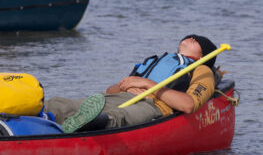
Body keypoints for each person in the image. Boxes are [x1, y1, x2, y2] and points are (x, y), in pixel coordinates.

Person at [44, 34, 218, 133]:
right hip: (122, 96)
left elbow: (188, 105)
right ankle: (42, 115)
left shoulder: (202, 70)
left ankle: (90, 124)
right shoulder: (157, 60)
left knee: (118, 117)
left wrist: (147, 85)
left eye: (198, 41)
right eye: (190, 37)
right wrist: (126, 85)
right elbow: (111, 89)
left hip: (154, 106)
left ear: (203, 56)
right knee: (61, 104)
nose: (192, 38)